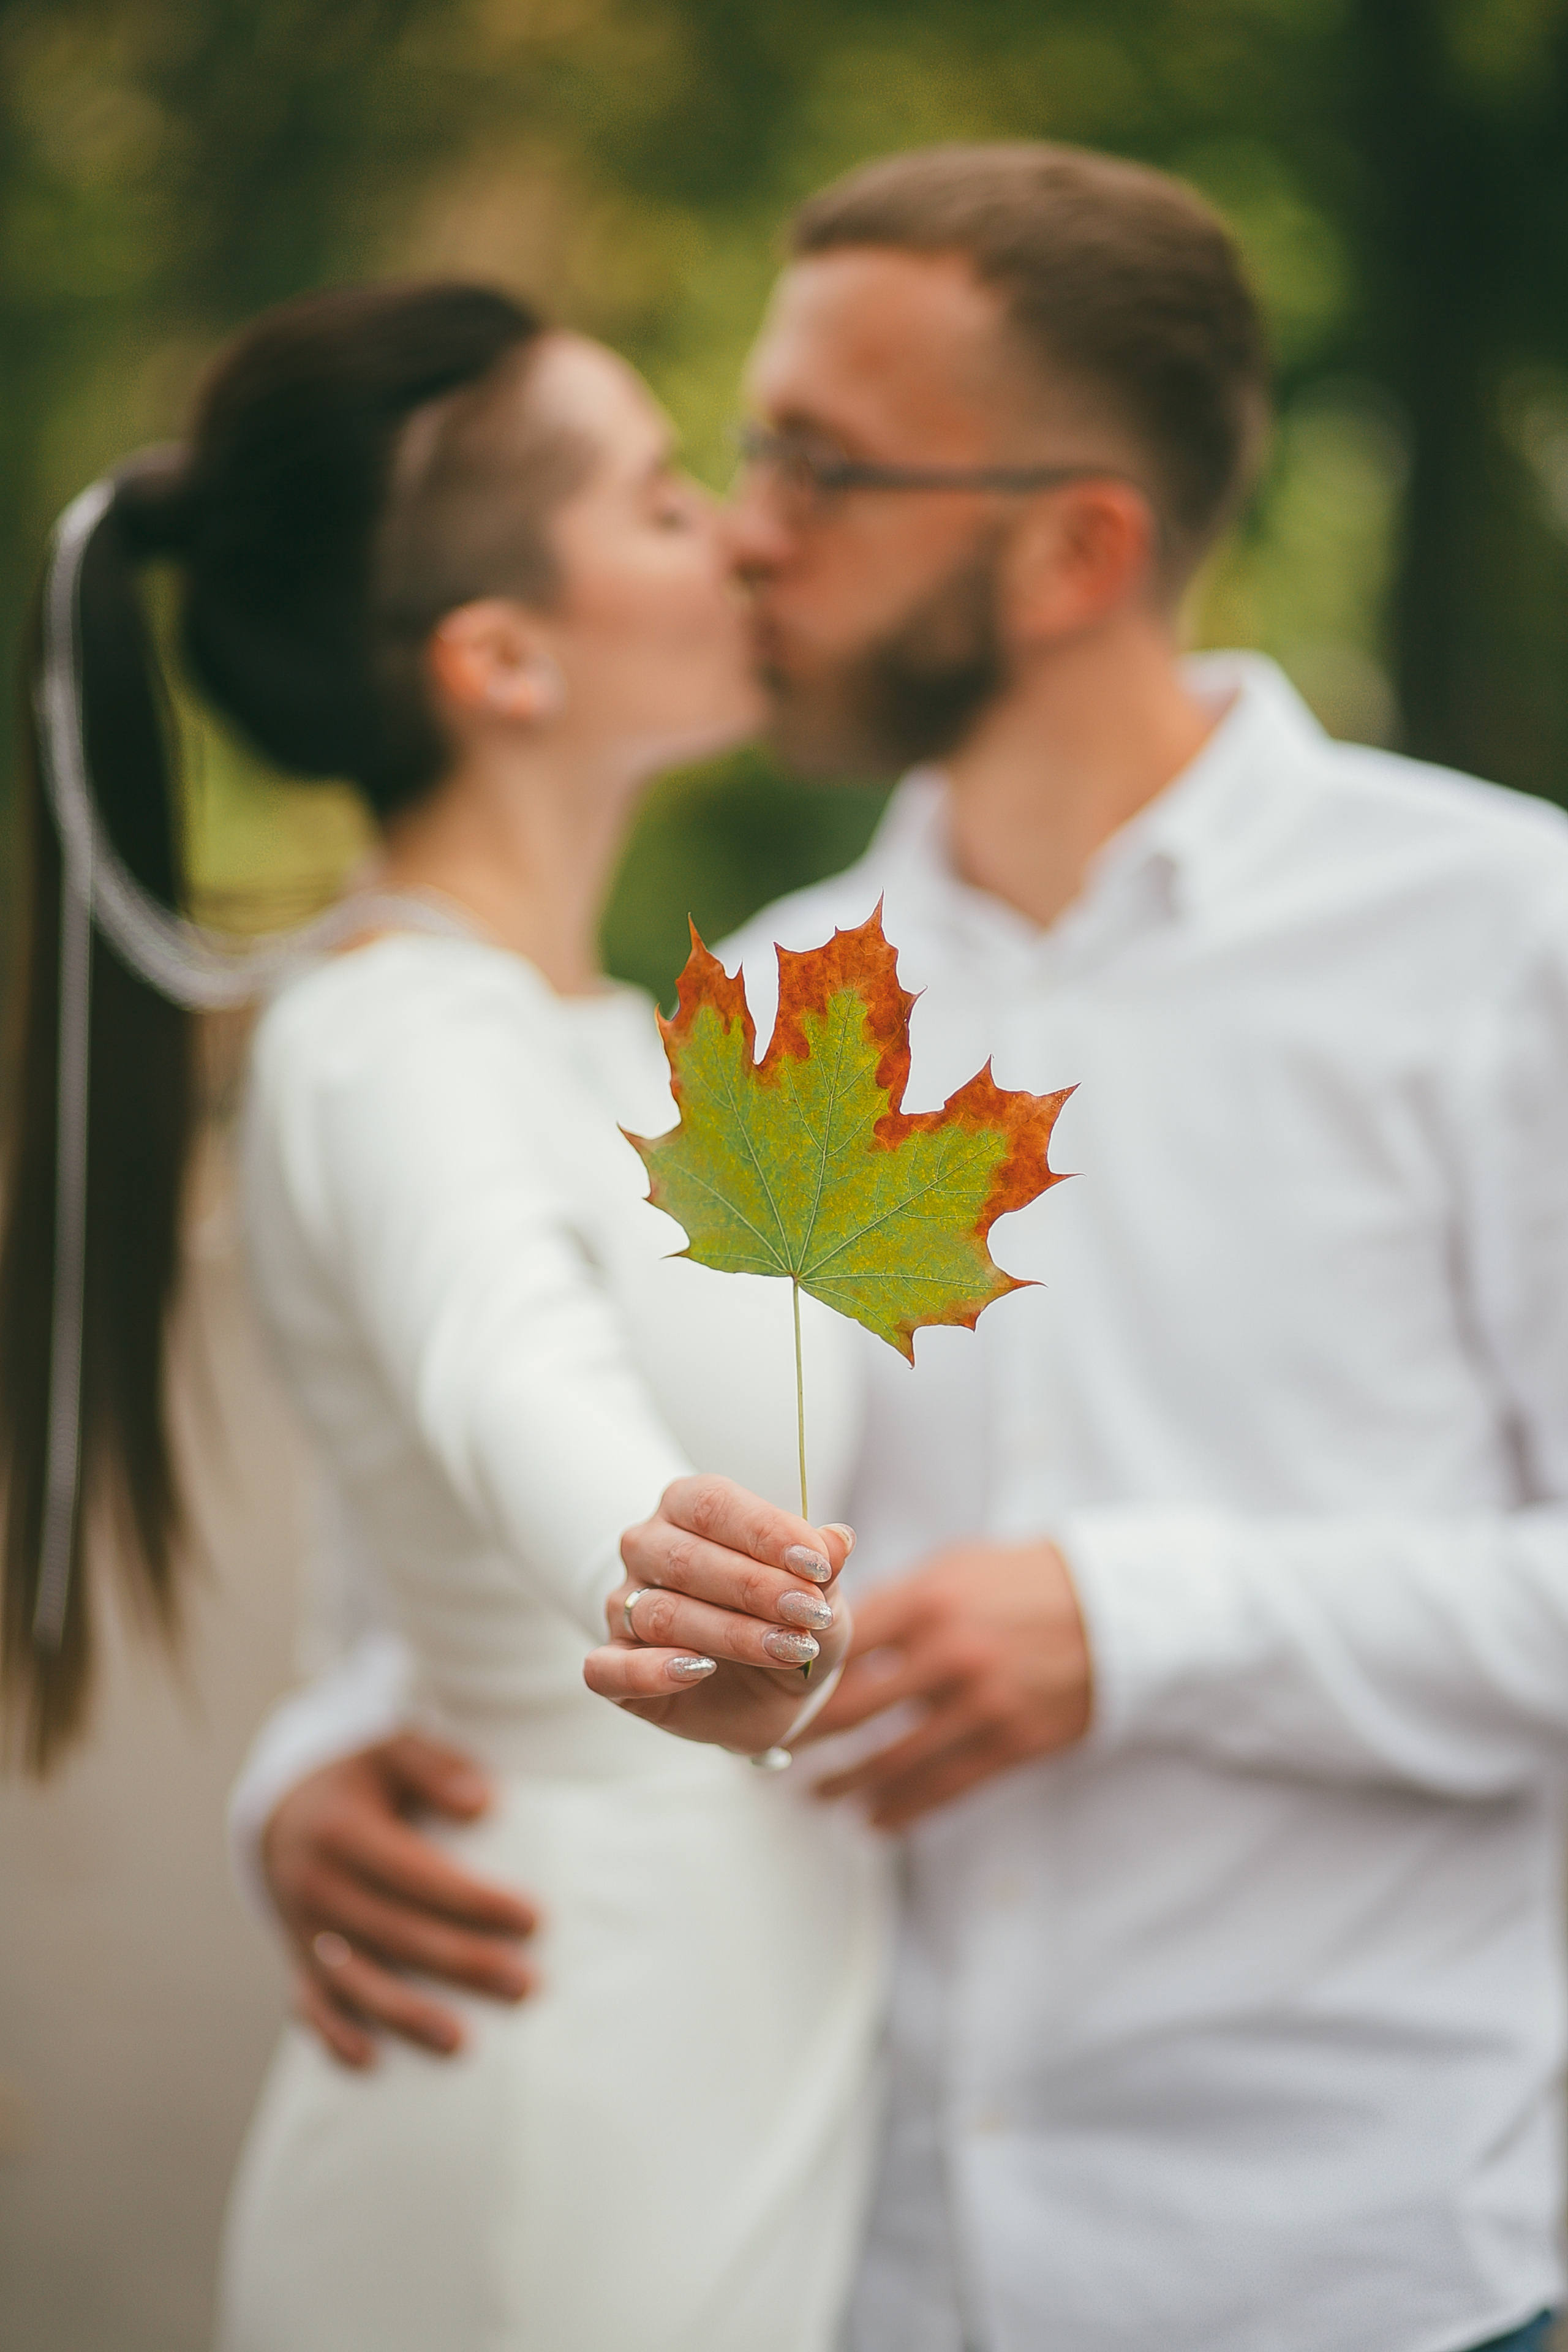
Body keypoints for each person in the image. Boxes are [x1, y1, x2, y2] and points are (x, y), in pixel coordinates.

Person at [235, 146, 1568, 2352]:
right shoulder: (737, 1020)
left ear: (1076, 545)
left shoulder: (1503, 943)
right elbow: (453, 1512)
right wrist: (310, 1778)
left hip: (1369, 2266)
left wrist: (1138, 1625)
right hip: (869, 2267)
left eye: (821, 468)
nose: (747, 526)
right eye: (741, 449)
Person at [0, 281, 895, 2352]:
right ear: (499, 654)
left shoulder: (631, 1039)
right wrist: (657, 1570)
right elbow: (502, 1361)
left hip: (726, 2031)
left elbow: (376, 1562)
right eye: (665, 501)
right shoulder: (392, 1035)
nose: (739, 533)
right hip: (546, 2066)